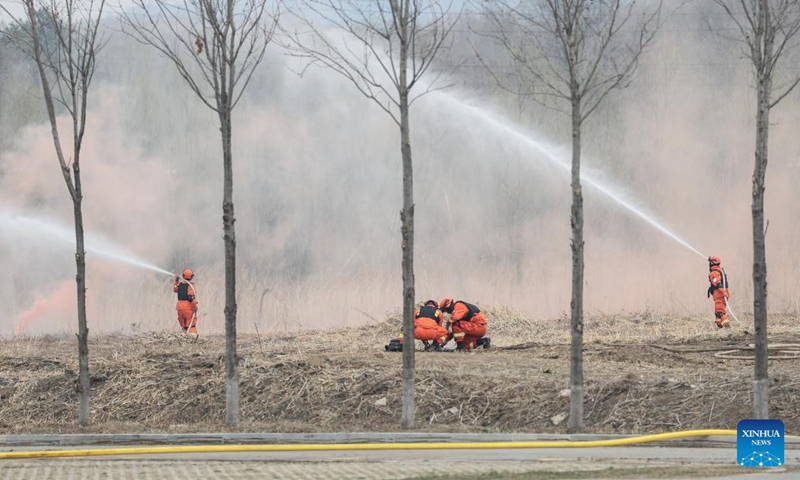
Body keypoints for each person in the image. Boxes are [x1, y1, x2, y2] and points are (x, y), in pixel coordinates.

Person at [707, 256, 731, 329]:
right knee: (717, 313)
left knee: (720, 312)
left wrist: (722, 291)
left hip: (719, 294)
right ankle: (719, 327)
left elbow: (717, 282)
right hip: (721, 294)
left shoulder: (714, 273)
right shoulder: (719, 271)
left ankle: (727, 327)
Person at [174, 268, 198, 335]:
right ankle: (192, 336)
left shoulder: (180, 285)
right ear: (191, 277)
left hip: (179, 308)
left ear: (183, 275)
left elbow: (175, 289)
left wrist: (176, 281)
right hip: (188, 308)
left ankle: (183, 336)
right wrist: (195, 306)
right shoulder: (191, 286)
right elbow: (190, 298)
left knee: (183, 325)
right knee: (191, 324)